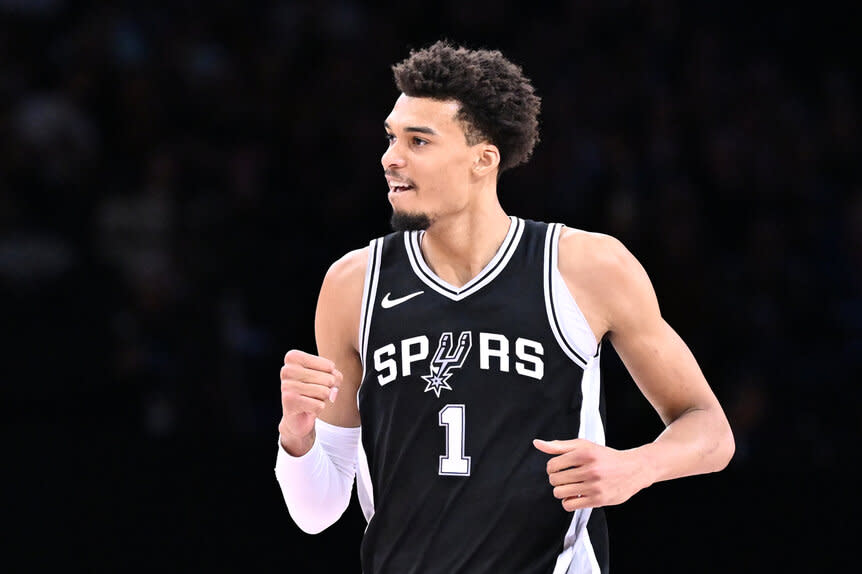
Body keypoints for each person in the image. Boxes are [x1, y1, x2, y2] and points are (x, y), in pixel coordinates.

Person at [274, 40, 734, 574]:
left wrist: (639, 466)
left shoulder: (586, 267)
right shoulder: (353, 283)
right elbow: (317, 512)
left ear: (483, 159)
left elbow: (711, 430)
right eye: (391, 137)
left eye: (418, 141)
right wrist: (297, 437)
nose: (390, 157)